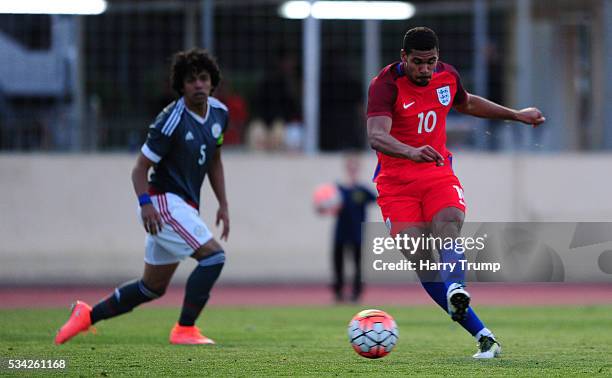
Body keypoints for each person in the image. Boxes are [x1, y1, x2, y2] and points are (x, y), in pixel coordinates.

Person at [366, 27, 545, 358]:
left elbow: (468, 103)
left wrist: (515, 115)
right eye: (418, 62)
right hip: (395, 185)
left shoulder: (447, 76)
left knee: (448, 222)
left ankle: (457, 287)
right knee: (422, 260)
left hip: (436, 173)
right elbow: (376, 135)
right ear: (403, 58)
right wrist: (410, 151)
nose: (425, 69)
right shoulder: (385, 85)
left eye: (431, 62)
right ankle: (484, 337)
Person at [55, 48, 230, 345]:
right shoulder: (170, 121)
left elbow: (214, 158)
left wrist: (223, 203)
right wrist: (145, 203)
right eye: (191, 80)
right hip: (162, 203)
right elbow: (139, 169)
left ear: (212, 82)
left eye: (203, 78)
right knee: (214, 258)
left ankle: (86, 315)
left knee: (152, 287)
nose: (198, 85)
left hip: (183, 207)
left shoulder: (219, 114)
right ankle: (184, 330)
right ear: (181, 86)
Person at [331, 154, 376, 303]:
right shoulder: (338, 190)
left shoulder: (362, 190)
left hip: (357, 233)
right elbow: (327, 206)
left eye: (355, 167)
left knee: (357, 265)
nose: (352, 170)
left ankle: (357, 293)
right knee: (338, 263)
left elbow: (376, 199)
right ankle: (338, 293)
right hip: (340, 232)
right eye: (350, 166)